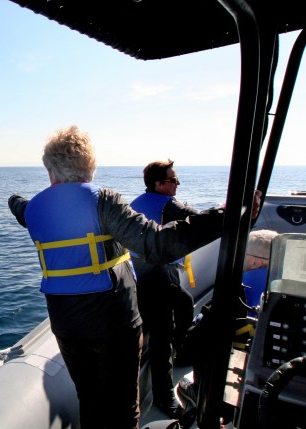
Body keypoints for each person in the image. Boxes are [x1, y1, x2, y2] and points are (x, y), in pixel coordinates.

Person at [7, 125, 259, 429]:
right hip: (114, 325)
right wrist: (227, 215)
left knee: (90, 400)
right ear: (90, 167)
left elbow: (18, 207)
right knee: (124, 409)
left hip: (66, 326)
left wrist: (13, 199)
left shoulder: (33, 209)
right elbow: (158, 245)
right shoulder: (104, 201)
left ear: (50, 171)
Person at [176, 229, 279, 410]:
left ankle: (199, 392)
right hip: (272, 371)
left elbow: (194, 342)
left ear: (255, 262)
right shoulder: (287, 288)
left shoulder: (234, 289)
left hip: (240, 366)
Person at [129, 159, 198, 418]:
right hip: (158, 274)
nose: (177, 184)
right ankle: (165, 396)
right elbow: (199, 219)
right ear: (159, 184)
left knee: (182, 306)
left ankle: (180, 351)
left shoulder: (134, 203)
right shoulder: (169, 205)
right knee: (164, 334)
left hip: (136, 275)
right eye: (173, 180)